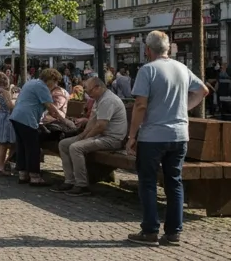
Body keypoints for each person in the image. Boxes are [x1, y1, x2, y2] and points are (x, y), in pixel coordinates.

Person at [125, 30, 209, 247]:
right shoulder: (181, 68)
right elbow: (203, 90)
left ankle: (150, 230)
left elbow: (140, 105)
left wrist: (132, 136)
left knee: (148, 182)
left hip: (153, 136)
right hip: (180, 135)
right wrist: (184, 108)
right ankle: (173, 232)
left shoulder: (147, 70)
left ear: (147, 50)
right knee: (174, 182)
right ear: (168, 48)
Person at [51, 75, 128, 196]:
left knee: (76, 147)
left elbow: (100, 126)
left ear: (98, 87)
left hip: (112, 139)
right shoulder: (99, 99)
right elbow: (93, 121)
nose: (87, 93)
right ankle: (70, 180)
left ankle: (82, 185)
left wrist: (85, 138)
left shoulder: (108, 100)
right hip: (101, 136)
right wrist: (83, 135)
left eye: (89, 90)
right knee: (64, 144)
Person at [8, 68, 66, 186]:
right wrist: (64, 120)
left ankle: (23, 175)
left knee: (22, 146)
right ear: (51, 79)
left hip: (17, 116)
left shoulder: (31, 83)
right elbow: (50, 106)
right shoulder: (42, 87)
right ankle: (35, 177)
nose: (55, 85)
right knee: (32, 147)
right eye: (55, 82)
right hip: (27, 118)